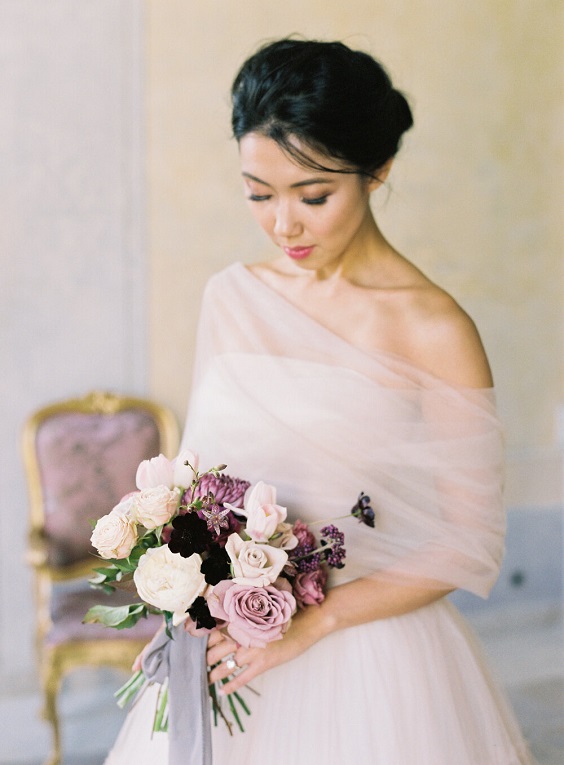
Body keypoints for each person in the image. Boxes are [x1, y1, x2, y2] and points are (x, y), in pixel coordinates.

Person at [105, 38, 536, 765]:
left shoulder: (433, 328)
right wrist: (185, 568)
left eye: (313, 196)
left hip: (371, 658)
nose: (284, 225)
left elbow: (470, 541)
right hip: (228, 650)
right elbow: (199, 477)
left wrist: (312, 624)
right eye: (258, 193)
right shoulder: (232, 297)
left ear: (378, 171)